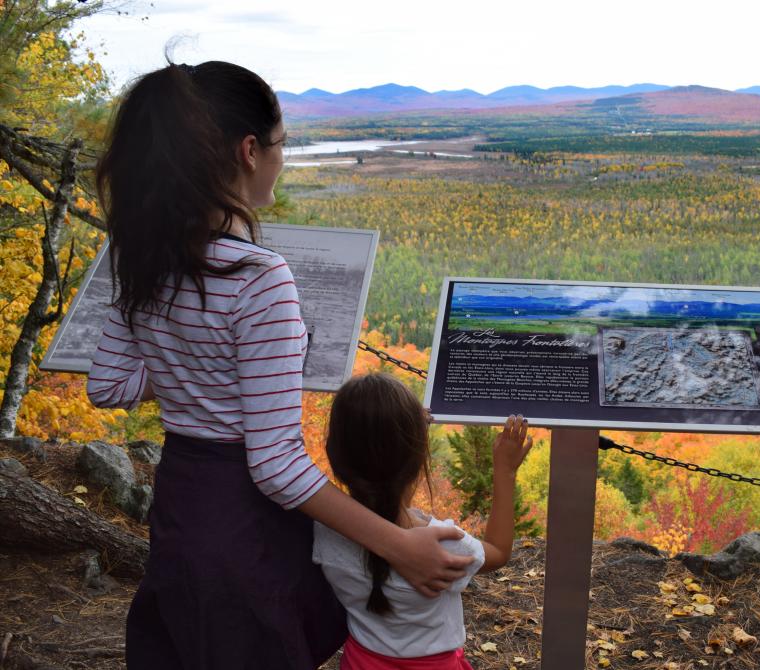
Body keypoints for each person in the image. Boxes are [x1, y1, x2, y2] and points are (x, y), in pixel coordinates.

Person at [85, 61, 471, 670]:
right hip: (243, 522)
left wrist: (197, 370)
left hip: (181, 499)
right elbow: (275, 466)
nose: (282, 158)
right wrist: (400, 546)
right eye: (282, 144)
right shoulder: (258, 278)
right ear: (248, 150)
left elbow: (108, 384)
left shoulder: (144, 256)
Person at [313, 373, 533, 670]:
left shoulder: (326, 527)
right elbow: (498, 550)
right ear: (418, 460)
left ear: (334, 453)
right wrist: (504, 470)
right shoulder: (440, 542)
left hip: (361, 661)